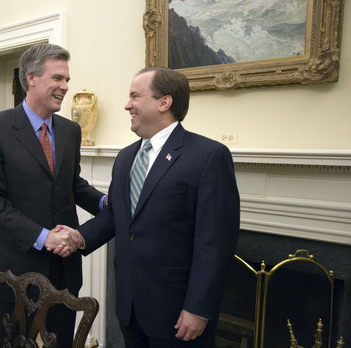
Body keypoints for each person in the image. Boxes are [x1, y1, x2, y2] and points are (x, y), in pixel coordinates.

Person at [54, 67, 240, 347]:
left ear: (164, 102)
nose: (127, 105)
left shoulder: (208, 156)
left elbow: (216, 242)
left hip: (179, 313)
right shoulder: (127, 157)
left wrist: (199, 308)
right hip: (131, 308)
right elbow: (117, 215)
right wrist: (80, 237)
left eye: (135, 96)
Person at [0, 43, 106, 348]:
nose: (65, 87)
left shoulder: (71, 131)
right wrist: (44, 237)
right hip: (14, 269)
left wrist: (103, 202)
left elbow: (72, 184)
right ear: (31, 78)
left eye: (67, 80)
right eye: (58, 78)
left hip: (64, 272)